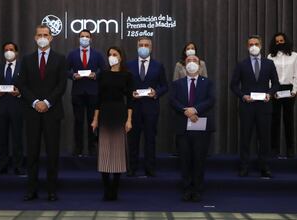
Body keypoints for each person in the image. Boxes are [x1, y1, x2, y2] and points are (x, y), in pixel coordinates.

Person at [20, 25, 67, 202]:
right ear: (34, 38)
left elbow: (61, 85)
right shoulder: (26, 60)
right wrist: (35, 102)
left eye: (45, 35)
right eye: (39, 35)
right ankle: (32, 190)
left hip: (52, 112)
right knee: (32, 153)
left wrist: (47, 102)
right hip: (32, 112)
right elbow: (22, 84)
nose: (42, 37)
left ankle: (51, 191)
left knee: (52, 154)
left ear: (51, 38)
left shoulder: (60, 59)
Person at [230, 35, 279, 178]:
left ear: (261, 46)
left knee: (264, 138)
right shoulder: (241, 64)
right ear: (247, 47)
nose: (253, 46)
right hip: (247, 106)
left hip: (264, 107)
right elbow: (233, 85)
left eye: (256, 44)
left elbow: (276, 83)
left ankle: (264, 167)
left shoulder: (269, 63)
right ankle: (244, 167)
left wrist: (270, 94)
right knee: (245, 137)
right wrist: (243, 96)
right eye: (250, 44)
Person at [170, 55, 215, 202]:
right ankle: (187, 189)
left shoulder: (207, 83)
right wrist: (186, 111)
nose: (191, 63)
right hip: (183, 126)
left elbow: (211, 100)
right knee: (185, 159)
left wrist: (195, 110)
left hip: (201, 127)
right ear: (184, 65)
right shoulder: (178, 83)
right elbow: (173, 100)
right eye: (188, 61)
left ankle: (197, 190)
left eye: (194, 61)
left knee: (199, 159)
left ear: (200, 65)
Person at [91, 46, 133, 201]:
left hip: (119, 113)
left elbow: (130, 99)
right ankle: (106, 187)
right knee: (104, 152)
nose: (112, 57)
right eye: (109, 54)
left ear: (121, 57)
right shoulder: (102, 75)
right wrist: (95, 119)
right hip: (104, 113)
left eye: (115, 54)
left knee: (117, 153)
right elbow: (98, 98)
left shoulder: (127, 75)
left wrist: (129, 120)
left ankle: (115, 187)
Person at [126, 37, 168, 177]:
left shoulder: (158, 65)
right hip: (134, 108)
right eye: (141, 45)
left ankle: (150, 168)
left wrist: (156, 93)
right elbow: (124, 86)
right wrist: (129, 93)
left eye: (146, 45)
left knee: (150, 139)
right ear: (137, 47)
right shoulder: (129, 65)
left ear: (151, 48)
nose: (143, 47)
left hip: (151, 108)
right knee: (133, 140)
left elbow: (165, 86)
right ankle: (132, 167)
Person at [67, 29, 106, 157]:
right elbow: (64, 70)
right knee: (78, 120)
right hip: (77, 92)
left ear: (91, 39)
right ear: (79, 39)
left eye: (87, 36)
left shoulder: (97, 54)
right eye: (82, 36)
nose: (84, 38)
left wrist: (96, 75)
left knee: (92, 120)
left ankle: (92, 147)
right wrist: (73, 75)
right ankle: (78, 148)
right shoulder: (72, 54)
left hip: (93, 92)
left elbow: (104, 69)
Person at [0, 42, 25, 175]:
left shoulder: (23, 67)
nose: (8, 52)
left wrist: (20, 93)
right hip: (1, 108)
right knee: (2, 139)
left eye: (11, 49)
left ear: (16, 52)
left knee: (18, 139)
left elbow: (28, 86)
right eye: (6, 50)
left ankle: (18, 166)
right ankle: (2, 165)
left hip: (17, 108)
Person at [268, 33, 297, 158]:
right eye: (277, 41)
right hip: (276, 88)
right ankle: (274, 148)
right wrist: (272, 91)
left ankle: (290, 148)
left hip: (289, 89)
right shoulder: (271, 57)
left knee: (288, 119)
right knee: (274, 120)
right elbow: (269, 75)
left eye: (282, 40)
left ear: (286, 41)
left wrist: (295, 90)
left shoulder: (294, 55)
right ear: (274, 43)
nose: (280, 43)